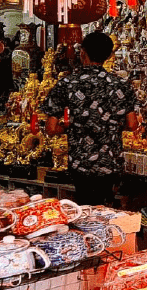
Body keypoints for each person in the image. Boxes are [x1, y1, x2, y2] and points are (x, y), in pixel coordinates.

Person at [44, 31, 140, 208]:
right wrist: (111, 125)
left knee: (85, 207)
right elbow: (133, 124)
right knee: (107, 209)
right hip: (110, 163)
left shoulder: (67, 84)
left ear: (82, 53)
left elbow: (50, 129)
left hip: (81, 163)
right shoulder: (120, 85)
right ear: (108, 56)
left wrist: (68, 127)